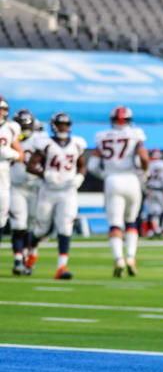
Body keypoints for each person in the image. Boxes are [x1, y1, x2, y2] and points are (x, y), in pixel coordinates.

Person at [28, 112, 88, 280]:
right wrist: (45, 174)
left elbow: (82, 165)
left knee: (65, 227)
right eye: (60, 124)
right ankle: (31, 253)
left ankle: (61, 267)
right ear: (54, 125)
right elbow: (31, 165)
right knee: (41, 229)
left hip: (68, 191)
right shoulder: (45, 144)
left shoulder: (77, 144)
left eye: (66, 124)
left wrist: (80, 177)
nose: (63, 127)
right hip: (48, 190)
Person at [94, 106, 149, 276]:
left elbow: (92, 166)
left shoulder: (102, 136)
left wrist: (105, 175)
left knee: (115, 224)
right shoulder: (135, 133)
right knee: (131, 222)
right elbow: (144, 156)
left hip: (112, 179)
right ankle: (131, 257)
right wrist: (144, 172)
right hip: (131, 179)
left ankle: (119, 259)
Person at [8, 108, 36, 275]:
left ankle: (27, 257)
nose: (25, 129)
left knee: (31, 225)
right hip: (15, 186)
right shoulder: (7, 137)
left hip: (35, 187)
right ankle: (18, 259)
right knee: (19, 224)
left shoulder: (39, 140)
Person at [0, 97, 23, 261]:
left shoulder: (11, 127)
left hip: (3, 173)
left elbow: (20, 155)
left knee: (1, 216)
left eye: (2, 109)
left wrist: (10, 154)